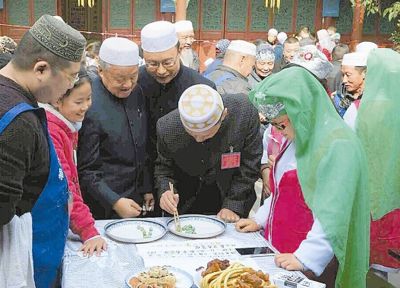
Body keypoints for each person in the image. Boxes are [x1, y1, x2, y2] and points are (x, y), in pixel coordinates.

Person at [236, 66, 370, 288]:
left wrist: (307, 257)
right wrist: (259, 219)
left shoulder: (337, 146)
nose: (278, 131)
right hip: (280, 243)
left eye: (281, 124)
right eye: (273, 125)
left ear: (302, 110)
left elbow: (335, 212)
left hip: (307, 253)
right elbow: (282, 191)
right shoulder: (300, 134)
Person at [0, 14, 86, 287]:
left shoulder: (17, 98)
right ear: (41, 69)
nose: (71, 86)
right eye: (71, 77)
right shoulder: (17, 122)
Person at [156, 84, 262, 222]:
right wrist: (165, 191)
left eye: (205, 136)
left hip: (231, 193)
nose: (198, 139)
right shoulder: (167, 126)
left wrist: (233, 204)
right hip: (187, 203)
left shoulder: (244, 111)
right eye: (192, 135)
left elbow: (250, 163)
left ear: (223, 115)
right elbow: (163, 169)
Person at [137, 21, 215, 203]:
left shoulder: (201, 87)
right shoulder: (135, 84)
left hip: (189, 179)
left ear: (179, 51)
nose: (161, 71)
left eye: (168, 62)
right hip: (142, 179)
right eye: (152, 64)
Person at [78, 37, 153, 220]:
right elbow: (86, 169)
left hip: (135, 198)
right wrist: (114, 201)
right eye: (119, 79)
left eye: (133, 77)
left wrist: (146, 187)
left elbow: (142, 147)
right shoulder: (88, 102)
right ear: (101, 71)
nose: (127, 84)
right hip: (103, 203)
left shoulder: (137, 92)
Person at [343, 49, 400, 278]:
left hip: (364, 199)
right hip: (394, 200)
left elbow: (344, 154)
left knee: (362, 266)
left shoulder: (358, 111)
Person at [39, 67, 107, 257]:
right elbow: (65, 187)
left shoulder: (67, 126)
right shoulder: (52, 131)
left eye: (88, 99)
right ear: (57, 99)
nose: (86, 106)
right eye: (79, 101)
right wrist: (87, 230)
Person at [333, 52, 366, 117]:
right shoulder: (339, 97)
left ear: (363, 73)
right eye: (342, 75)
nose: (344, 80)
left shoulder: (374, 97)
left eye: (348, 75)